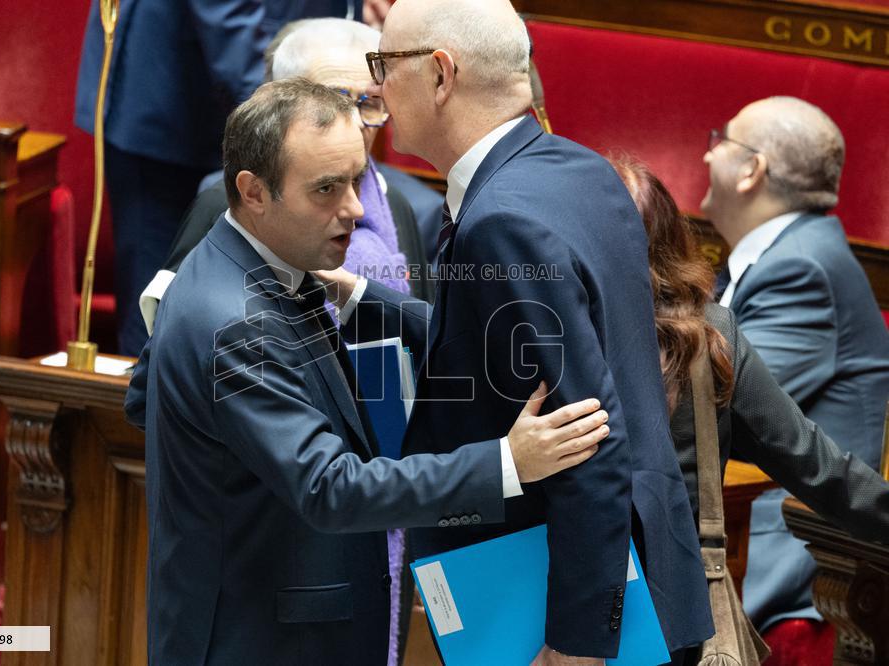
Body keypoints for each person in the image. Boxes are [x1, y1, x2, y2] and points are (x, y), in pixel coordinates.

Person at [124, 79, 611, 665]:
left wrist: (367, 301)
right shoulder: (235, 322)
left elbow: (144, 395)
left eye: (356, 180)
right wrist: (508, 463)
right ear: (253, 192)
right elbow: (330, 487)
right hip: (260, 642)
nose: (354, 210)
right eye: (326, 190)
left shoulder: (235, 263)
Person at [321, 1, 714, 662]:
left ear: (441, 74)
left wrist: (576, 641)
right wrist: (365, 296)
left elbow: (588, 431)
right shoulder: (579, 171)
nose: (378, 88)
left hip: (563, 609)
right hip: (640, 578)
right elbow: (516, 347)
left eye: (383, 65)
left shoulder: (501, 219)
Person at [612, 155, 888, 555]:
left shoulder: (537, 331)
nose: (707, 155)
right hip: (670, 590)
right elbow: (810, 460)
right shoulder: (708, 336)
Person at [75, 0, 365, 355]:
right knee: (159, 313)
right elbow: (227, 13)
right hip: (172, 107)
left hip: (245, 95)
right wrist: (290, 120)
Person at [701, 96, 889, 630]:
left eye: (721, 140)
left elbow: (718, 410)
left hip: (787, 553)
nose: (706, 157)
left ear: (751, 171)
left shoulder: (801, 269)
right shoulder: (787, 254)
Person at [137, 18, 433, 337]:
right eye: (334, 102)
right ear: (278, 106)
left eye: (370, 103)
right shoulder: (228, 201)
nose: (355, 122)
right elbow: (174, 331)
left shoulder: (394, 202)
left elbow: (423, 331)